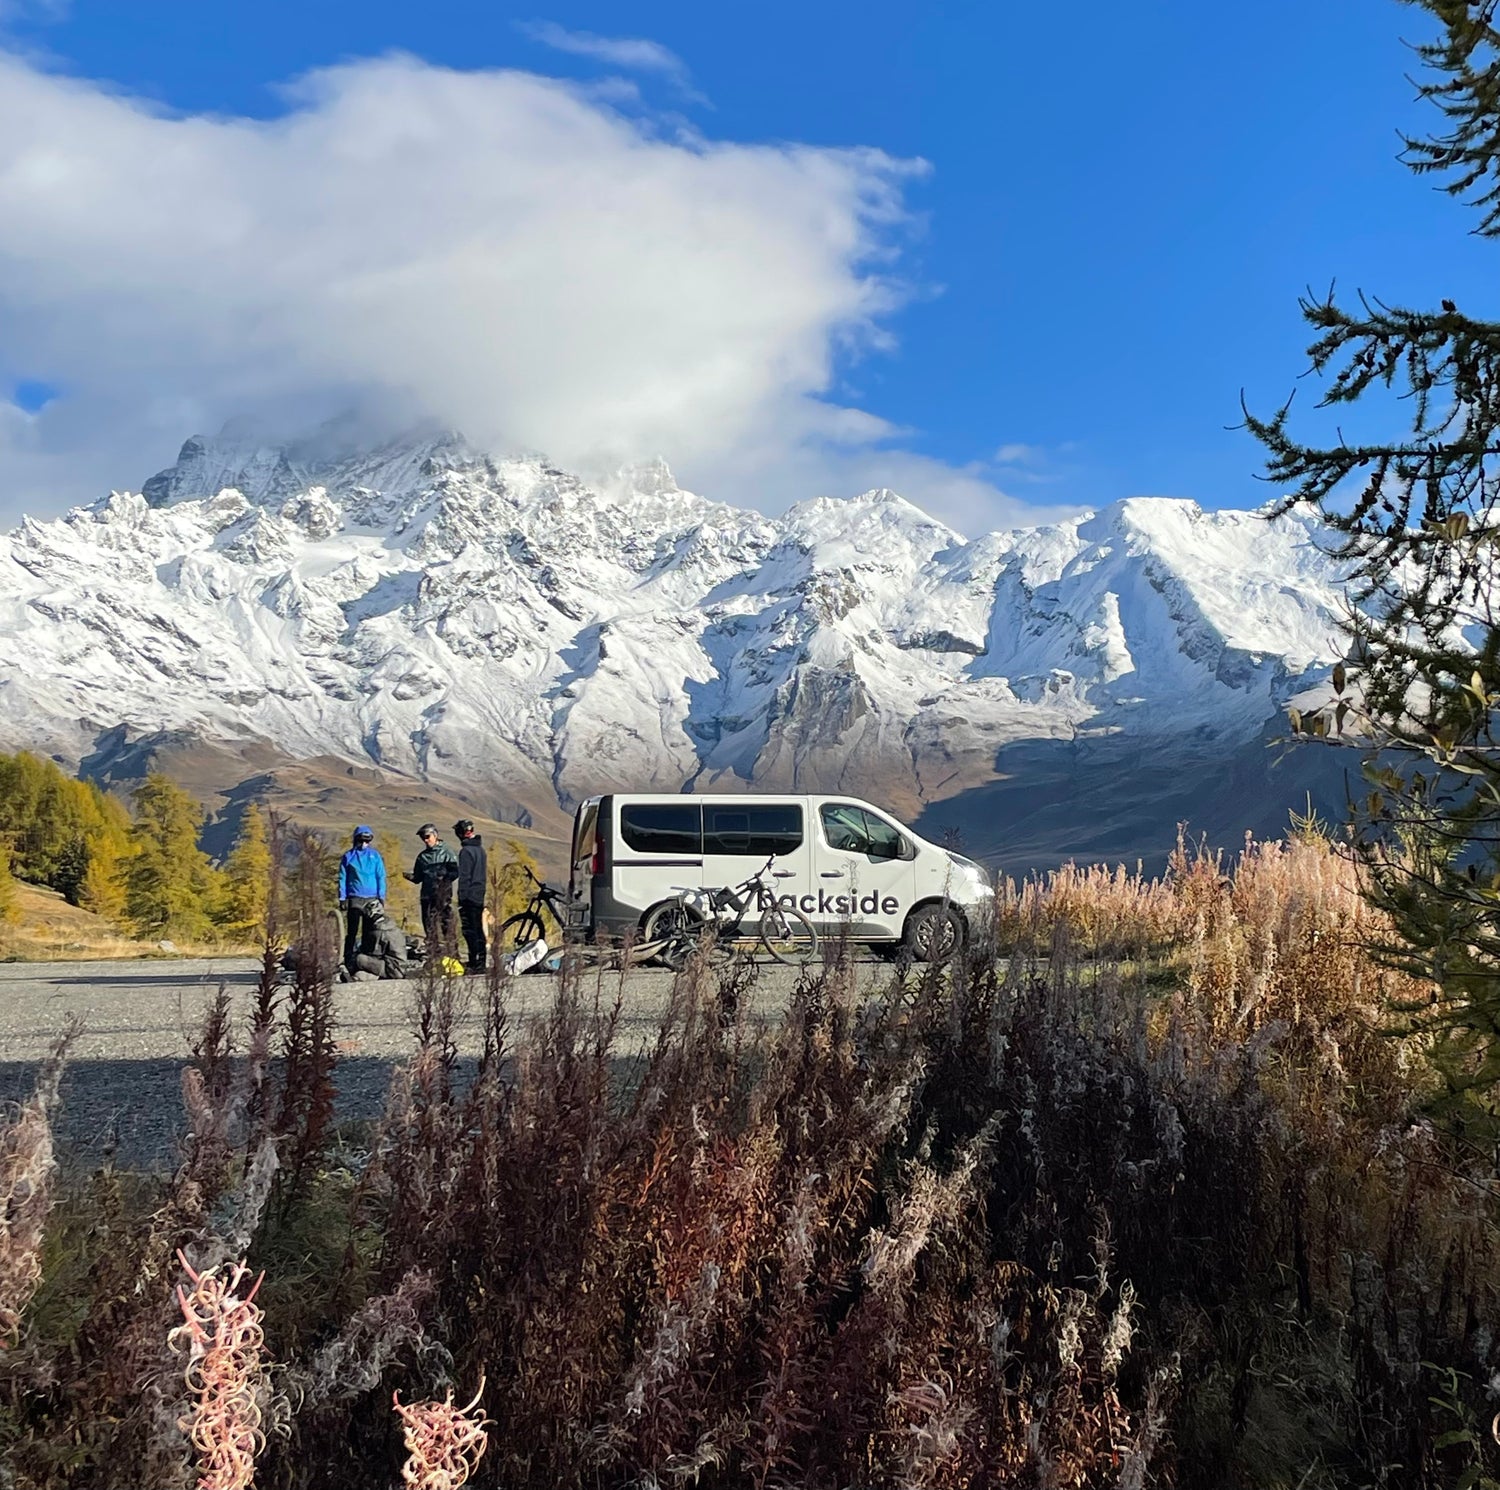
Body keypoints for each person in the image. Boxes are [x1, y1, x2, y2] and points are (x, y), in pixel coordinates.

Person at [405, 822, 459, 958]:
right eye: (423, 838)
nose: (425, 840)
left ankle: (453, 954)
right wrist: (407, 876)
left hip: (443, 895)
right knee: (429, 926)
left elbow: (455, 872)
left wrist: (443, 878)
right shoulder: (422, 857)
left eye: (427, 836)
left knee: (447, 925)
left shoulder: (447, 852)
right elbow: (418, 878)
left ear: (435, 835)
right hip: (427, 896)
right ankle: (434, 954)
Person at [337, 825, 387, 971]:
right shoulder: (348, 856)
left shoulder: (375, 856)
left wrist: (381, 896)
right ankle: (348, 957)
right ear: (355, 839)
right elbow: (342, 878)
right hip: (355, 897)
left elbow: (381, 876)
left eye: (367, 841)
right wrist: (342, 897)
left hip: (372, 898)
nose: (364, 843)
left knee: (369, 930)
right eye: (361, 840)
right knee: (352, 930)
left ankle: (367, 957)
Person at [454, 819, 488, 973]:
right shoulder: (480, 850)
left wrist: (462, 897)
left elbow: (465, 877)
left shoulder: (466, 852)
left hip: (469, 896)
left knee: (469, 929)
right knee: (478, 928)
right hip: (479, 894)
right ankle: (481, 960)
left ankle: (475, 962)